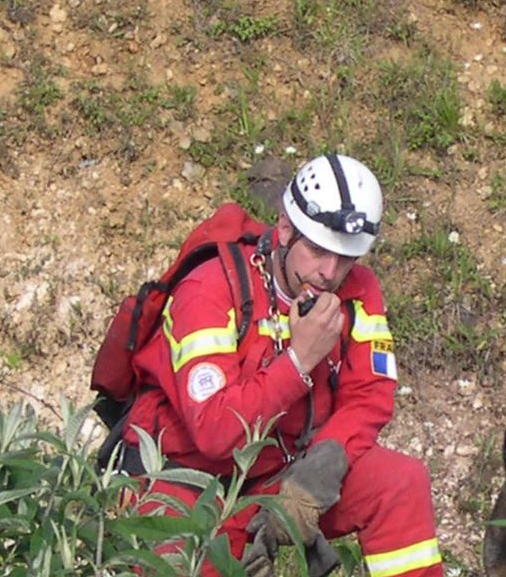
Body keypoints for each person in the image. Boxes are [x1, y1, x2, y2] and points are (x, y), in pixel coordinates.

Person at [119, 153, 444, 576]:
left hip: (281, 474)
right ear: (286, 228)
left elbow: (370, 397)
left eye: (346, 258)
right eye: (317, 251)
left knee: (399, 482)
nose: (330, 272)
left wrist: (319, 472)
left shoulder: (358, 291)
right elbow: (215, 433)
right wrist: (300, 359)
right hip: (181, 477)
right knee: (193, 559)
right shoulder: (210, 289)